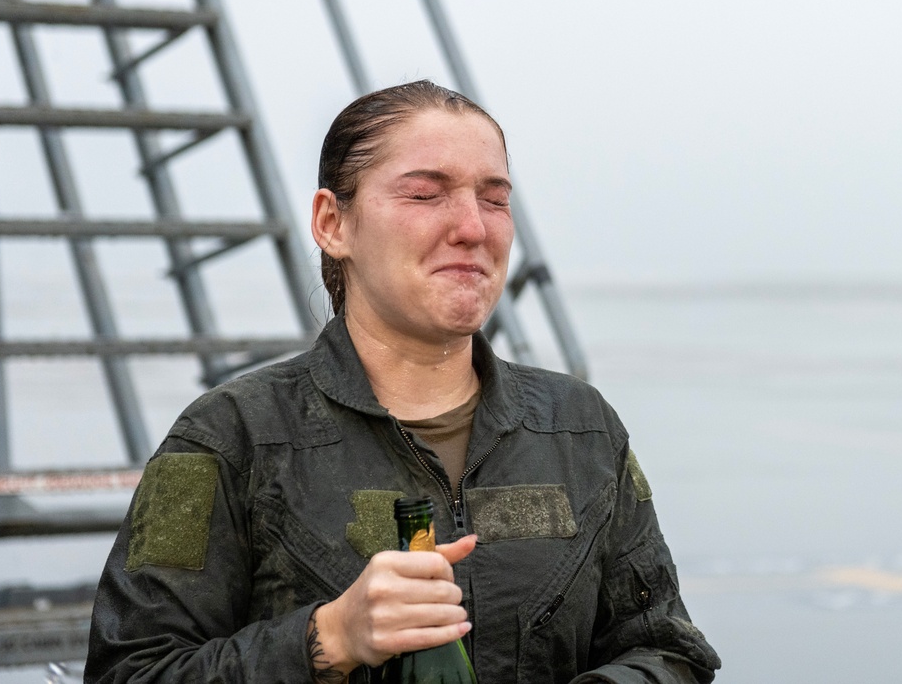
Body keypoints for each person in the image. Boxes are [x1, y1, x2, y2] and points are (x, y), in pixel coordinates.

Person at [85, 80, 720, 683]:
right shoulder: (225, 437)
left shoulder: (580, 425)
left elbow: (667, 648)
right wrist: (328, 639)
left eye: (494, 198)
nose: (472, 227)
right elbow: (129, 669)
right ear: (334, 224)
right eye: (425, 194)